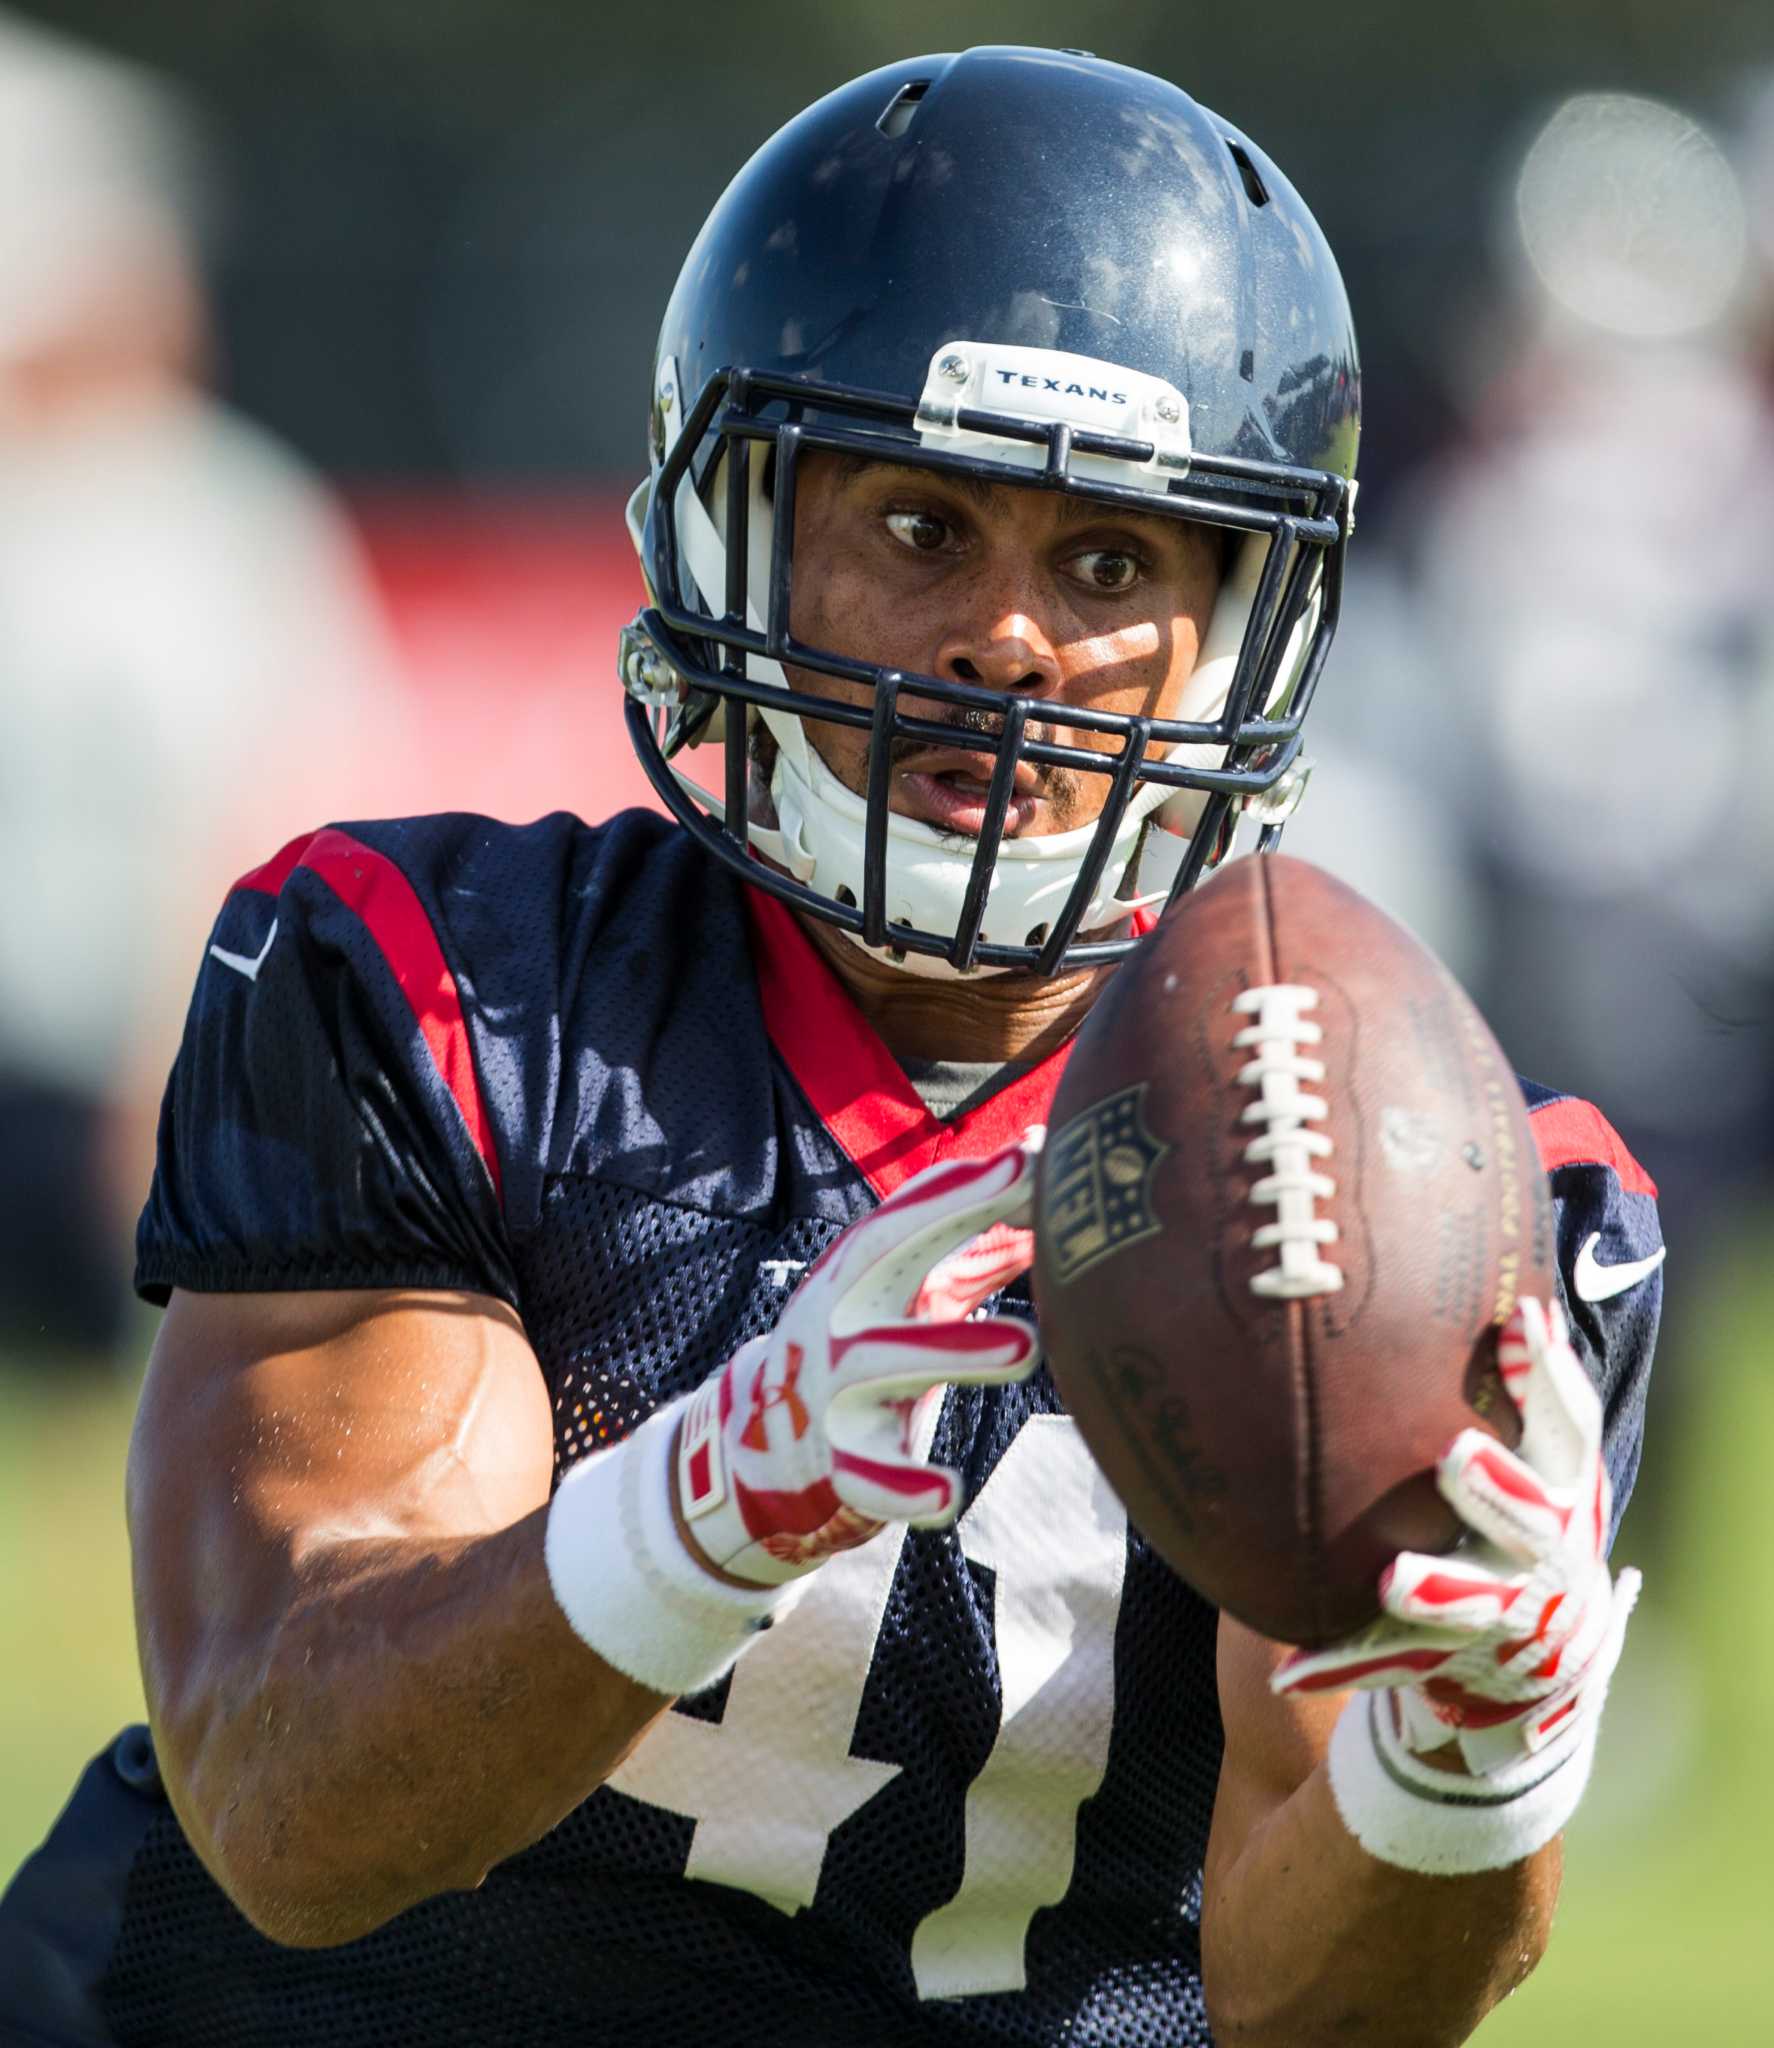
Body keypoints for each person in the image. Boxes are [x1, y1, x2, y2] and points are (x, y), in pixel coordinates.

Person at [0, 48, 1660, 2046]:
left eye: (1112, 562)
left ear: (1253, 625)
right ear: (737, 533)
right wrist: (694, 1508)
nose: (1011, 644)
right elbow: (289, 1805)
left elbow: (1315, 2012)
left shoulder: (1442, 1196)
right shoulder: (444, 996)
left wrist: (1453, 1770)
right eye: (920, 523)